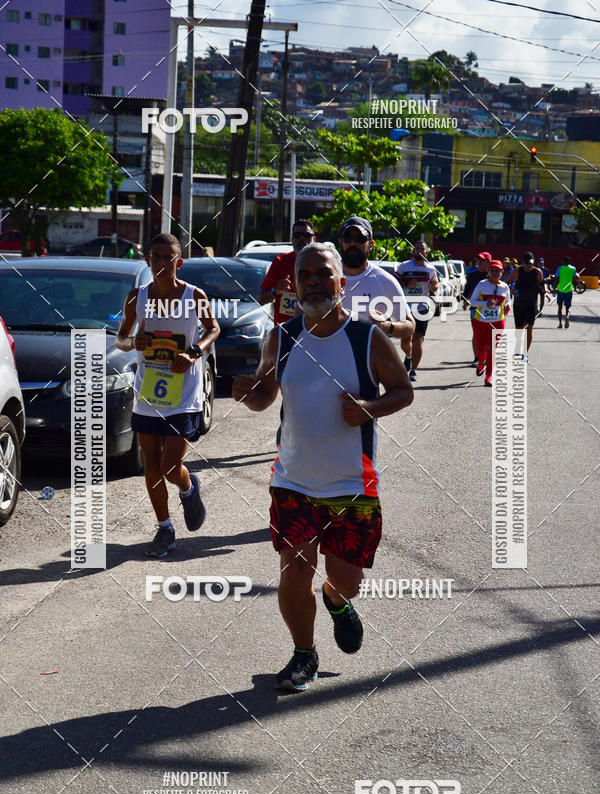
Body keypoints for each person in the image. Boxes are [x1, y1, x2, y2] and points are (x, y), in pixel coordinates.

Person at [232, 243, 413, 691]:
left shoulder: (366, 338)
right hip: (292, 479)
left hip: (352, 483)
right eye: (305, 274)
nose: (313, 281)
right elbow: (264, 398)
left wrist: (369, 408)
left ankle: (336, 600)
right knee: (295, 569)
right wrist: (245, 392)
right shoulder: (281, 336)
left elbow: (403, 391)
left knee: (345, 581)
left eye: (323, 274)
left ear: (341, 283)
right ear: (293, 284)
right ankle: (303, 654)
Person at [116, 233, 220, 557]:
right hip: (149, 393)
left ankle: (188, 488)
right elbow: (120, 338)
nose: (162, 263)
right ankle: (165, 529)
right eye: (156, 257)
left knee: (170, 466)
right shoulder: (137, 298)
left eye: (168, 257)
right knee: (151, 464)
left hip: (184, 393)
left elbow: (214, 329)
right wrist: (135, 342)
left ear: (179, 261)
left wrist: (193, 352)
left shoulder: (194, 295)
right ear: (148, 261)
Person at [337, 215, 415, 363]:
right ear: (340, 242)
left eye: (360, 239)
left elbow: (410, 325)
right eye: (348, 238)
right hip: (328, 364)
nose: (353, 243)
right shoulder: (326, 277)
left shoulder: (384, 281)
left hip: (367, 367)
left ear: (371, 244)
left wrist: (386, 326)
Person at [394, 240, 439, 382]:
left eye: (423, 248)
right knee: (405, 341)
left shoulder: (431, 269)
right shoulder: (404, 267)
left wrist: (433, 286)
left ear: (427, 252)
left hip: (422, 307)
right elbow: (394, 282)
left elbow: (434, 288)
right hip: (406, 307)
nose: (420, 250)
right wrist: (407, 283)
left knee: (418, 339)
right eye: (417, 248)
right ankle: (408, 356)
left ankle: (413, 370)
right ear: (414, 251)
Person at [258, 219, 315, 325]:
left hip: (313, 329)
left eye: (307, 235)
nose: (302, 239)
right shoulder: (280, 262)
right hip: (286, 330)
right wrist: (276, 292)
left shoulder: (321, 263)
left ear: (314, 239)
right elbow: (261, 300)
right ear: (292, 239)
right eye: (297, 235)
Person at [469, 259, 511, 386]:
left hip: (498, 322)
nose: (494, 272)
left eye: (497, 270)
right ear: (488, 272)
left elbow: (508, 301)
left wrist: (508, 306)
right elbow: (472, 301)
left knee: (492, 349)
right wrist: (485, 303)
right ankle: (481, 362)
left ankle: (488, 376)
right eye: (492, 270)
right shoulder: (482, 284)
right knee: (481, 349)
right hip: (481, 321)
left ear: (502, 272)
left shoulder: (505, 287)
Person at [507, 252, 544, 361]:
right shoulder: (517, 271)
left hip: (531, 304)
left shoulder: (537, 272)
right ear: (522, 262)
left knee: (529, 329)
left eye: (531, 263)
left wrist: (543, 299)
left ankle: (525, 353)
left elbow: (542, 285)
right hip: (519, 304)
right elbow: (507, 282)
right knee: (518, 330)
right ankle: (518, 347)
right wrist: (511, 290)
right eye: (527, 263)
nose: (529, 265)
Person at [463, 251, 492, 365]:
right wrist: (465, 302)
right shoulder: (472, 275)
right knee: (477, 333)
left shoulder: (492, 275)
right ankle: (477, 358)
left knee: (489, 333)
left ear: (488, 262)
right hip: (475, 308)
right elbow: (467, 291)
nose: (479, 262)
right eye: (478, 260)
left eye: (482, 260)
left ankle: (487, 355)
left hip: (490, 309)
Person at [553, 255, 579, 329]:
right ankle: (567, 316)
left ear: (563, 261)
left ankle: (560, 323)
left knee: (560, 307)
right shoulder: (573, 268)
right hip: (569, 290)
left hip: (561, 290)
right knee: (568, 307)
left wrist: (554, 289)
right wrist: (575, 286)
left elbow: (557, 280)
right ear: (569, 262)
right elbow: (574, 280)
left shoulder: (560, 268)